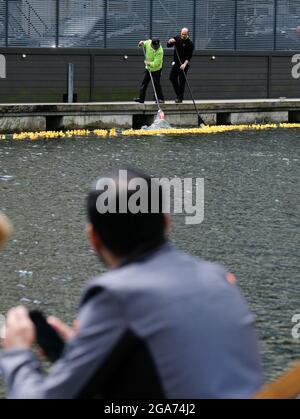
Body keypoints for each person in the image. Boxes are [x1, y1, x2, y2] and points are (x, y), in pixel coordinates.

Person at [0, 169, 263, 399]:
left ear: (93, 238)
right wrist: (79, 353)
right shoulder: (218, 277)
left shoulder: (117, 294)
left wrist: (17, 353)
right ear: (166, 222)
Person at [167, 27, 194, 103]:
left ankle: (180, 98)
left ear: (188, 34)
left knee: (182, 81)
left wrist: (184, 64)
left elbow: (189, 56)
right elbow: (168, 45)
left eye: (185, 34)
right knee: (172, 78)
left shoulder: (190, 43)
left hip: (184, 65)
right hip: (176, 63)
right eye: (182, 34)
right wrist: (170, 41)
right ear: (180, 33)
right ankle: (178, 94)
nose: (183, 36)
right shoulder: (177, 38)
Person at [134, 39, 164, 104]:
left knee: (156, 84)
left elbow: (156, 63)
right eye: (155, 46)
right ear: (151, 44)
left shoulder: (160, 51)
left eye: (157, 46)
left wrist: (149, 63)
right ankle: (141, 98)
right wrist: (140, 44)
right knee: (144, 83)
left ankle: (160, 99)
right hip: (148, 69)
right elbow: (142, 45)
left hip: (157, 69)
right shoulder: (148, 42)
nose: (156, 47)